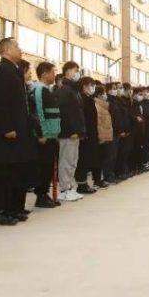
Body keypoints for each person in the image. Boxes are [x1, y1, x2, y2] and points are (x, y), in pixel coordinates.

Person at [0, 38, 35, 226]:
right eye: (17, 46)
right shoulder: (2, 71)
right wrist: (6, 127)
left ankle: (12, 208)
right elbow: (0, 103)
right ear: (6, 50)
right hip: (8, 132)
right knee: (3, 173)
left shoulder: (13, 70)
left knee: (16, 172)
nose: (20, 49)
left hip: (19, 130)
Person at [28, 61, 61, 208]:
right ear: (44, 74)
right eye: (52, 72)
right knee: (43, 166)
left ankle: (44, 194)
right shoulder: (39, 90)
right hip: (45, 136)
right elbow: (38, 113)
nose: (54, 75)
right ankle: (41, 195)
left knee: (48, 166)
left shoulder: (48, 90)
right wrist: (41, 133)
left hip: (52, 135)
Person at [55, 61, 86, 202]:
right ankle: (63, 190)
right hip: (68, 132)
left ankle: (69, 187)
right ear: (67, 71)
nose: (77, 73)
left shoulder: (73, 90)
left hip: (75, 132)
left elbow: (77, 112)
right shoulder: (64, 90)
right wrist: (71, 130)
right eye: (75, 70)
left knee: (73, 161)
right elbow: (64, 112)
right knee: (66, 161)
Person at [108, 83, 131, 182]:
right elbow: (113, 119)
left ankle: (118, 173)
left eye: (120, 88)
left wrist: (126, 130)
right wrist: (119, 131)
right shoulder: (110, 101)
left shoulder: (119, 101)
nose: (119, 90)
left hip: (121, 131)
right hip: (114, 132)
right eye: (116, 88)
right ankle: (110, 175)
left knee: (119, 154)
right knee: (111, 155)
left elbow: (124, 117)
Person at [94, 84, 114, 187]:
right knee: (99, 159)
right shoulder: (97, 106)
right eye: (104, 93)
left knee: (105, 158)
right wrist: (101, 137)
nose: (106, 95)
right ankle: (97, 180)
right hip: (101, 138)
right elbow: (98, 124)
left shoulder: (103, 106)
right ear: (99, 95)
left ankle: (101, 179)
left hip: (106, 137)